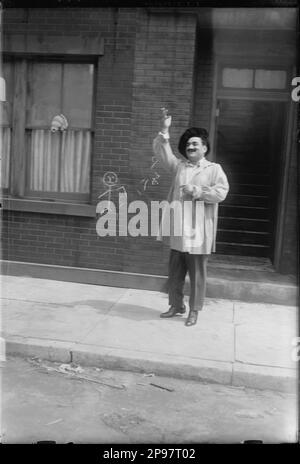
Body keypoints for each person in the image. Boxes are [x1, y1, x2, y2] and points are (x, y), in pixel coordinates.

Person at [153, 108, 229, 327]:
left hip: (199, 231)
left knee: (197, 275)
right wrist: (165, 130)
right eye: (188, 145)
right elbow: (162, 152)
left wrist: (198, 192)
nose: (191, 147)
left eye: (195, 144)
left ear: (205, 148)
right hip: (179, 228)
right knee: (175, 273)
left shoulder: (214, 170)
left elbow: (221, 193)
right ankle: (176, 305)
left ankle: (194, 310)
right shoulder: (179, 167)